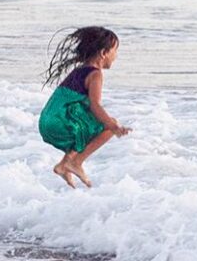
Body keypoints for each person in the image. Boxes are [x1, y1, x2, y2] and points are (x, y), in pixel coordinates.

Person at [38, 26, 129, 187]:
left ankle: (64, 166)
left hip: (47, 122)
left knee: (86, 123)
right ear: (103, 53)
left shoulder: (79, 71)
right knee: (107, 126)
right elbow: (95, 106)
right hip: (60, 123)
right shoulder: (95, 74)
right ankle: (76, 162)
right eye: (115, 50)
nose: (116, 56)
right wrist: (114, 126)